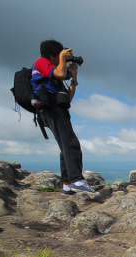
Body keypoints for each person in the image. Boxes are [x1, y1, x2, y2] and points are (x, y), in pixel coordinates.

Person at [32, 39, 98, 195]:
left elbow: (68, 98)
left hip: (58, 110)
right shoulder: (41, 62)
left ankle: (67, 185)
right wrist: (63, 57)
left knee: (65, 146)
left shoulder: (53, 77)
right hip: (50, 110)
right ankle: (77, 180)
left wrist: (74, 78)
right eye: (60, 55)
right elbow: (61, 73)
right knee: (71, 144)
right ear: (52, 55)